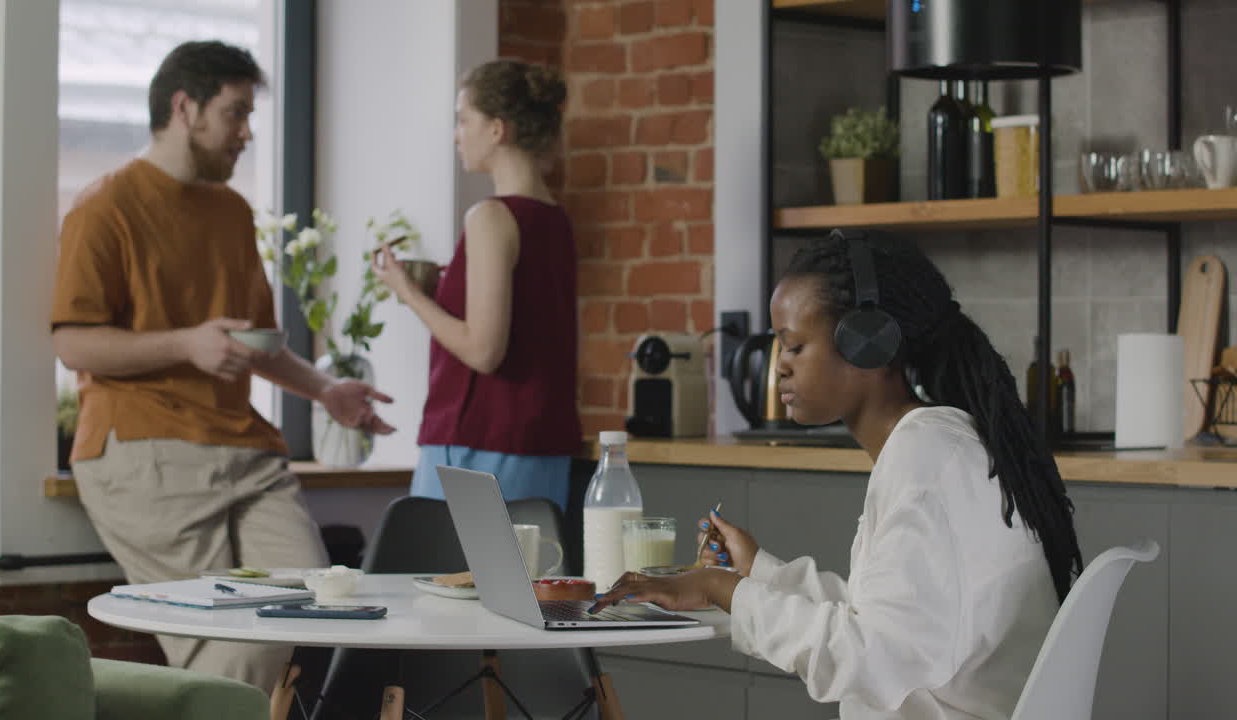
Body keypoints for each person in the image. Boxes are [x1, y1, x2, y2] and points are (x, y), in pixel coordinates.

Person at [591, 229, 1084, 720]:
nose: (779, 366)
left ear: (868, 344)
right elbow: (886, 622)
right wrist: (758, 571)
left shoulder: (926, 458)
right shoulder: (935, 445)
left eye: (794, 346)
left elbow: (872, 658)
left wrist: (724, 590)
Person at [50, 40, 394, 693]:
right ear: (185, 107)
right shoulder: (106, 207)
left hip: (246, 456)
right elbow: (73, 343)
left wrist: (327, 390)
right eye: (235, 113)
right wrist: (185, 344)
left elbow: (250, 341)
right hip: (145, 452)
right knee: (233, 654)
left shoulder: (232, 212)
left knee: (305, 613)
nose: (246, 133)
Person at [372, 59, 580, 511]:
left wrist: (408, 292)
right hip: (542, 446)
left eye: (463, 119)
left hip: (478, 449)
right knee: (528, 582)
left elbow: (484, 351)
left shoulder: (490, 217)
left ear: (497, 129)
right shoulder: (556, 222)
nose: (456, 134)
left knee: (434, 584)